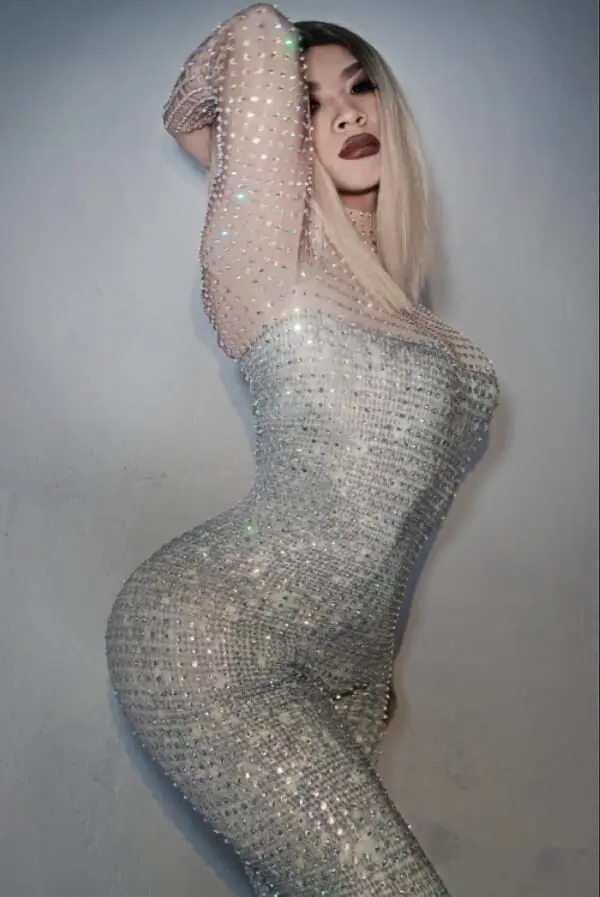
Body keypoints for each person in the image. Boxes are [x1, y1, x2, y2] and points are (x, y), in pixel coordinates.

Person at [105, 4, 499, 894]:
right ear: (278, 132)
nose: (348, 111)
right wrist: (278, 74)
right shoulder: (267, 257)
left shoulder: (425, 331)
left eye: (361, 88)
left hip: (339, 670)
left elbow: (388, 533)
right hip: (210, 634)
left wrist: (366, 678)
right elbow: (247, 40)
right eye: (308, 103)